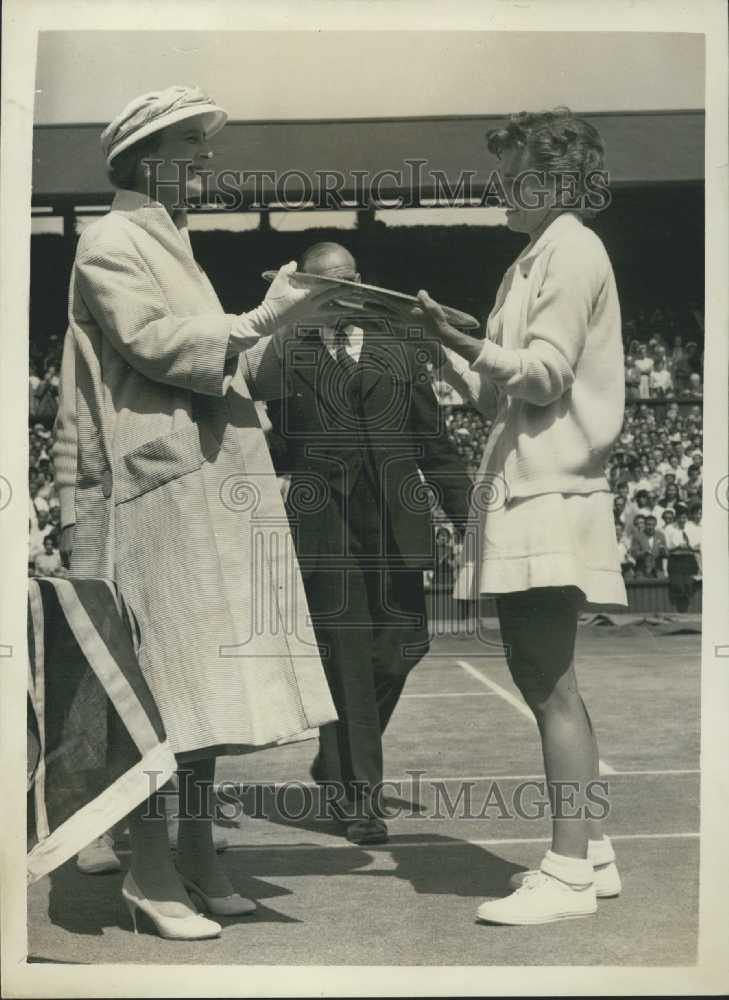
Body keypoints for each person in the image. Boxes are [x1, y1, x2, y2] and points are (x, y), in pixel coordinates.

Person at [53, 85, 342, 940]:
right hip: (152, 490)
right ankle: (147, 873)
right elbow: (153, 343)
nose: (207, 165)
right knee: (164, 688)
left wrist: (276, 323)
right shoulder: (108, 237)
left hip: (204, 481)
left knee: (208, 684)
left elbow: (217, 354)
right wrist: (257, 318)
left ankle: (198, 856)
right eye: (193, 150)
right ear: (150, 163)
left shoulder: (169, 238)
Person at [417, 108, 626, 925]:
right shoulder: (529, 261)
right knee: (546, 678)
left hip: (550, 493)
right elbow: (493, 393)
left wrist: (468, 346)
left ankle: (569, 871)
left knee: (545, 681)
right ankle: (592, 852)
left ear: (550, 181)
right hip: (524, 488)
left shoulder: (571, 249)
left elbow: (539, 378)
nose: (497, 188)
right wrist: (439, 338)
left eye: (510, 176)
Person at [247, 241, 472, 844]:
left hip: (396, 523)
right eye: (329, 286)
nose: (344, 294)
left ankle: (337, 760)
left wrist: (470, 519)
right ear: (308, 292)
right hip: (325, 528)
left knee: (404, 648)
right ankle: (360, 801)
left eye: (352, 281)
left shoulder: (400, 352)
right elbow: (263, 444)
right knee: (347, 661)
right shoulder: (284, 354)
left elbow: (433, 442)